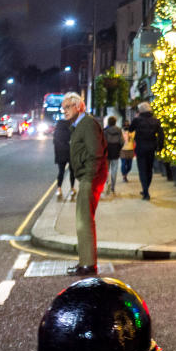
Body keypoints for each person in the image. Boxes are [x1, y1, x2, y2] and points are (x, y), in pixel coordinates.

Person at [61, 92, 107, 276]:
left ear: (78, 106)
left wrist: (88, 177)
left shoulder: (87, 123)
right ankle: (86, 262)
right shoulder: (78, 125)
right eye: (63, 108)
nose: (63, 111)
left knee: (84, 221)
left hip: (91, 178)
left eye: (67, 107)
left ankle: (88, 264)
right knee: (83, 220)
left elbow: (95, 152)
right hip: (88, 177)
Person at [130, 101, 164, 200]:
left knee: (142, 169)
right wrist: (160, 146)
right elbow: (161, 135)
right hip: (151, 147)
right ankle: (146, 189)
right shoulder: (156, 121)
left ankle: (145, 192)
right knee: (149, 169)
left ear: (140, 111)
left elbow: (131, 129)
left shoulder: (137, 120)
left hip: (140, 147)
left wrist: (135, 118)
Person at [53, 118, 75, 201]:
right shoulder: (68, 132)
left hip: (60, 154)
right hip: (69, 153)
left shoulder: (56, 133)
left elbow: (55, 144)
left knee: (61, 172)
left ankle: (59, 189)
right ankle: (72, 188)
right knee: (72, 171)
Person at [103, 116, 123, 195]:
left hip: (107, 151)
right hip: (116, 150)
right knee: (114, 169)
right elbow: (122, 141)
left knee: (106, 169)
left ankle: (108, 182)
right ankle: (113, 187)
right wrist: (119, 148)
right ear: (115, 122)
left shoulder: (105, 131)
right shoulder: (119, 130)